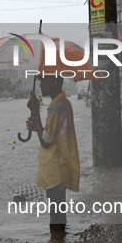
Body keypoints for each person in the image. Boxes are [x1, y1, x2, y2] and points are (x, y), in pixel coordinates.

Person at [26, 76, 80, 233]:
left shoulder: (58, 106)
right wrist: (37, 126)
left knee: (56, 221)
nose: (41, 85)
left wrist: (35, 111)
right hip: (58, 166)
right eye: (40, 81)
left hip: (56, 169)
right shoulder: (60, 104)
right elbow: (55, 133)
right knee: (58, 215)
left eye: (45, 81)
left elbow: (46, 141)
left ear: (57, 82)